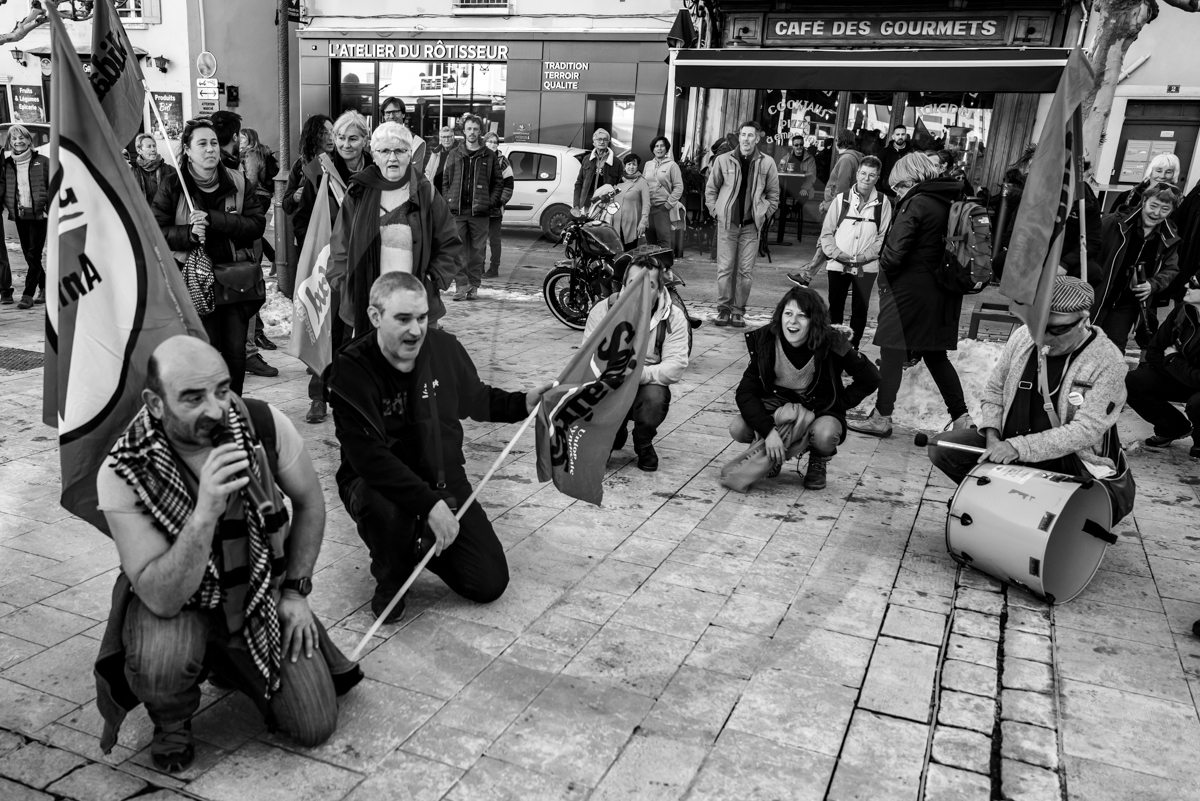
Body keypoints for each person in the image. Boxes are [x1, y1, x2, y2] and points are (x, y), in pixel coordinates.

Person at [94, 336, 363, 772]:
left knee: (315, 724)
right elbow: (160, 596)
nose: (217, 410)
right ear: (155, 403)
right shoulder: (125, 467)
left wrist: (295, 593)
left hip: (256, 592)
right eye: (193, 398)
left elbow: (311, 503)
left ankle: (226, 660)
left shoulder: (262, 424)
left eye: (222, 389)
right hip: (178, 600)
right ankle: (172, 718)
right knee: (162, 657)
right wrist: (204, 514)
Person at [327, 272, 554, 622]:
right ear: (375, 317)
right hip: (376, 484)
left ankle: (418, 543)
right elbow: (370, 459)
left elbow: (476, 400)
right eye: (403, 319)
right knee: (387, 508)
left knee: (488, 582)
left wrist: (523, 402)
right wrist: (430, 506)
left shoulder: (445, 349)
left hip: (445, 479)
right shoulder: (350, 369)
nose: (416, 330)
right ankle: (392, 572)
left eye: (422, 318)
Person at [927, 277, 1129, 488]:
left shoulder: (1108, 361)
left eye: (1057, 329)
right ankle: (998, 494)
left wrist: (1019, 447)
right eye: (1038, 326)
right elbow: (995, 389)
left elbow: (1086, 430)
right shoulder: (1024, 336)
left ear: (1083, 320)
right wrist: (992, 435)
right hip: (1008, 439)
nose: (1044, 337)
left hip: (1066, 457)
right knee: (944, 448)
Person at [849, 153, 971, 438]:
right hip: (943, 292)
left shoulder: (916, 202)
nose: (898, 193)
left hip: (909, 293)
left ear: (912, 179)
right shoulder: (950, 201)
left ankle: (882, 417)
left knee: (891, 354)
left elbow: (894, 254)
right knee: (936, 356)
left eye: (899, 187)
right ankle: (963, 418)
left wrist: (884, 277)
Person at [153, 119, 267, 396]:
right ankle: (204, 412)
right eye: (201, 144)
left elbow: (256, 225)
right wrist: (189, 235)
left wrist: (216, 220)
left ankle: (233, 411)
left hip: (232, 283)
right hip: (190, 284)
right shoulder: (172, 184)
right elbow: (155, 229)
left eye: (214, 142)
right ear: (188, 151)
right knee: (200, 353)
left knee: (234, 353)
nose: (210, 149)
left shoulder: (238, 181)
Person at [731, 286, 880, 489]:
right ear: (780, 316)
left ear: (814, 321)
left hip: (817, 409)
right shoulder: (766, 340)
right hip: (777, 408)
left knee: (826, 435)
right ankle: (772, 453)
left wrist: (838, 403)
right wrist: (769, 432)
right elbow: (746, 392)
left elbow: (870, 378)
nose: (793, 321)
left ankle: (818, 460)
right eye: (788, 314)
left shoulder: (832, 342)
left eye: (802, 316)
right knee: (739, 428)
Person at [329, 122, 461, 340]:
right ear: (374, 155)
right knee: (371, 368)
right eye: (384, 151)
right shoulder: (359, 192)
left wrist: (432, 279)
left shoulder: (424, 191)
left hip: (416, 301)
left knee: (414, 367)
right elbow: (339, 246)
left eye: (400, 150)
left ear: (410, 154)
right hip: (367, 301)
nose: (392, 158)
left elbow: (450, 243)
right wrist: (345, 283)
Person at [583, 262, 688, 471]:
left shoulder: (674, 317)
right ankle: (612, 433)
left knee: (655, 398)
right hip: (612, 380)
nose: (639, 291)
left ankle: (643, 442)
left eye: (648, 285)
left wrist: (638, 374)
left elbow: (676, 366)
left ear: (659, 290)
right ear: (623, 286)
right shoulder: (603, 311)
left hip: (647, 382)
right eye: (633, 283)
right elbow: (589, 358)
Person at [209, 111, 279, 379]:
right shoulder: (187, 179)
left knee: (245, 298)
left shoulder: (237, 173)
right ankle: (229, 354)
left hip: (240, 254)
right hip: (211, 260)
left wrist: (219, 221)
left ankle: (246, 351)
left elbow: (255, 223)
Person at [705, 120, 780, 328]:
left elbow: (774, 195)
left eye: (750, 135)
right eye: (743, 135)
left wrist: (764, 214)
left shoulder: (767, 163)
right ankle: (723, 309)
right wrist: (716, 211)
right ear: (739, 137)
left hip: (750, 226)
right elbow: (711, 190)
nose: (746, 139)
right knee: (725, 269)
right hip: (727, 224)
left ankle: (738, 311)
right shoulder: (723, 160)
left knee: (745, 272)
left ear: (757, 138)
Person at [1092, 182, 1182, 350]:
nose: (1156, 213)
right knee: (1083, 344)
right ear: (1144, 201)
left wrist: (1152, 284)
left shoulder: (1169, 238)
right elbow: (1088, 254)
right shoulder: (1112, 224)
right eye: (1153, 205)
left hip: (1126, 306)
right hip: (1097, 297)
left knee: (1113, 350)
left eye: (1164, 209)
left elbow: (1171, 269)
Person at [816, 156, 892, 348]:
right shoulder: (841, 200)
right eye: (864, 173)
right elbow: (827, 232)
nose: (866, 178)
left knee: (860, 309)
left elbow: (883, 236)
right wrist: (836, 253)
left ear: (877, 177)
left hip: (866, 267)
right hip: (838, 264)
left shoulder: (883, 203)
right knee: (835, 307)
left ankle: (852, 349)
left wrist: (866, 256)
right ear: (857, 174)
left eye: (871, 175)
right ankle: (833, 346)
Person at [1125, 277, 1200, 459]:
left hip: (1190, 380)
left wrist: (1173, 359)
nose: (1186, 285)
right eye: (1189, 280)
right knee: (1132, 380)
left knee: (1198, 404)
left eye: (1194, 284)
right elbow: (1154, 351)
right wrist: (1177, 368)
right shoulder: (1182, 310)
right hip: (1183, 376)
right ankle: (1173, 428)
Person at [441, 114, 504, 301]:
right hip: (457, 211)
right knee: (457, 250)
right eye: (469, 129)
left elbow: (498, 183)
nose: (472, 132)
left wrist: (490, 203)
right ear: (463, 131)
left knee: (477, 252)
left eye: (475, 129)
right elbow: (445, 179)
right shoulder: (454, 154)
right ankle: (461, 286)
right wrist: (447, 200)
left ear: (480, 132)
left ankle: (474, 286)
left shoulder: (489, 156)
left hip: (480, 212)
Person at [4, 123, 50, 309]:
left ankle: (28, 294)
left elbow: (54, 184)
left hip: (40, 214)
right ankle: (45, 287)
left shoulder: (44, 161)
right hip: (20, 214)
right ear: (10, 143)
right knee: (29, 256)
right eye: (14, 138)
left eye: (21, 137)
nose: (18, 141)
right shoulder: (7, 164)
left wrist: (49, 205)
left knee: (34, 254)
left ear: (29, 140)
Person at [643, 136, 685, 252]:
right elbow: (643, 184)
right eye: (656, 146)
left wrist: (668, 205)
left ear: (666, 149)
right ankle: (652, 267)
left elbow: (679, 187)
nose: (659, 148)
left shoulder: (672, 165)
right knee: (650, 240)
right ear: (653, 149)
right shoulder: (648, 164)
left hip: (662, 208)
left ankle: (665, 268)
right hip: (648, 207)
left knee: (663, 240)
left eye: (662, 146)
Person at [482, 131, 514, 279]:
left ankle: (494, 268)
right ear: (484, 142)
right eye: (490, 141)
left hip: (495, 209)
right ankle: (479, 266)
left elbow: (508, 186)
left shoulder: (503, 162)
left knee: (494, 240)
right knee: (479, 240)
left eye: (495, 142)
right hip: (480, 208)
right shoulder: (478, 158)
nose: (493, 144)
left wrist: (499, 202)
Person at [774, 134, 817, 245]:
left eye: (801, 145)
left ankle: (791, 211)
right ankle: (787, 211)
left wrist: (805, 188)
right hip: (787, 185)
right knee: (776, 196)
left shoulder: (809, 159)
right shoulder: (787, 157)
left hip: (802, 185)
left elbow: (812, 176)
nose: (799, 147)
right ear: (792, 146)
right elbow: (779, 171)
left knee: (805, 195)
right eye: (796, 145)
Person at [608, 153, 651, 252]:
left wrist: (643, 222)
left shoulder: (642, 182)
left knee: (630, 251)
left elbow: (646, 204)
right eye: (629, 164)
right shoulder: (620, 180)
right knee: (617, 251)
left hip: (632, 223)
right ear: (624, 165)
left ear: (637, 166)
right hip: (616, 222)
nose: (631, 167)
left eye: (634, 164)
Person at [1112, 153, 1181, 214]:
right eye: (1158, 171)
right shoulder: (1128, 196)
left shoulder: (1178, 200)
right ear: (1150, 171)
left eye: (1168, 172)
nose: (1162, 176)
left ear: (1174, 175)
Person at [574, 128, 623, 210]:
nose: (602, 142)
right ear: (594, 142)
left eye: (605, 139)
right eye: (599, 139)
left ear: (608, 142)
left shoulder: (616, 162)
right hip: (587, 204)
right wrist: (576, 204)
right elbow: (579, 182)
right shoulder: (587, 159)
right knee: (588, 223)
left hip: (606, 205)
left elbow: (620, 186)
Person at [379, 96, 426, 170]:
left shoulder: (417, 142)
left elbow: (415, 175)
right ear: (384, 116)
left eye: (395, 112)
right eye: (388, 113)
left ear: (403, 114)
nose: (391, 116)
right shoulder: (376, 140)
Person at [822, 133, 863, 215]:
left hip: (839, 207)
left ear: (838, 142)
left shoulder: (846, 159)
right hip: (841, 204)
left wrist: (829, 206)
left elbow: (842, 187)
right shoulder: (849, 157)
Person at [130, 133, 173, 207]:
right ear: (139, 150)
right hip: (143, 214)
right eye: (149, 147)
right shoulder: (132, 172)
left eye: (154, 146)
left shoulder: (169, 170)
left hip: (164, 215)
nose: (153, 149)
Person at [879, 124, 911, 198]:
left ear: (906, 136)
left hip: (905, 193)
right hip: (886, 193)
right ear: (893, 136)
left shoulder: (911, 153)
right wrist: (880, 190)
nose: (900, 137)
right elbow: (877, 171)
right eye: (897, 134)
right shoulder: (884, 152)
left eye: (903, 134)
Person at [424, 126, 456, 195]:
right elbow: (428, 172)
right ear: (440, 138)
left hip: (451, 194)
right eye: (444, 137)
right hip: (435, 193)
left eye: (449, 137)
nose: (446, 140)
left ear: (453, 137)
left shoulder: (458, 153)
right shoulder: (436, 152)